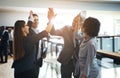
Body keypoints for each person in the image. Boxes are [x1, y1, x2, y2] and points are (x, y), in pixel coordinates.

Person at [47, 8, 84, 78]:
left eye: (76, 22)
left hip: (78, 62)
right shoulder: (66, 28)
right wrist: (50, 20)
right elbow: (53, 32)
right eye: (73, 20)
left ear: (81, 24)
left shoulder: (84, 33)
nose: (73, 22)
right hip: (66, 61)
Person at [27, 11, 47, 78]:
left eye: (37, 20)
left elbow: (40, 44)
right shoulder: (28, 32)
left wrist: (43, 52)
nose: (36, 21)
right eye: (34, 20)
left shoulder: (39, 31)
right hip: (30, 62)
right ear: (31, 21)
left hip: (38, 61)